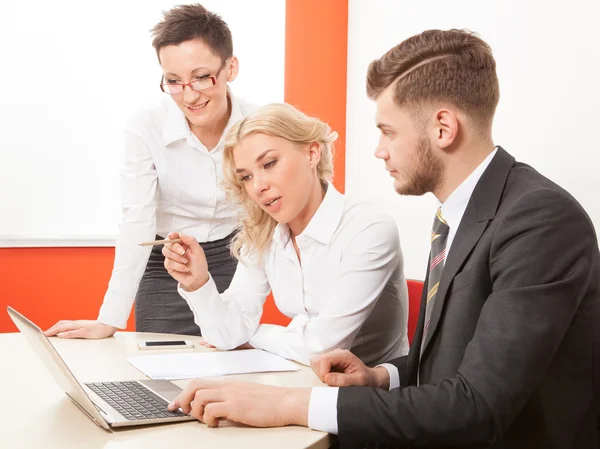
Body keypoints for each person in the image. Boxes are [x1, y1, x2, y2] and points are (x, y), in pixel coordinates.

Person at [166, 29, 600, 448]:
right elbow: (456, 363)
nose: (378, 149)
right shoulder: (460, 215)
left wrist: (291, 403)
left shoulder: (538, 219)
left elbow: (479, 405)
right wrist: (382, 376)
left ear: (443, 128)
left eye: (388, 131)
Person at [44, 4, 258, 339]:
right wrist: (109, 319)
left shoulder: (260, 125)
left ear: (231, 67)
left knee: (226, 368)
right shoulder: (146, 126)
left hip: (236, 258)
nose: (189, 95)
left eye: (202, 77)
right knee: (161, 371)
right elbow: (137, 219)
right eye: (174, 81)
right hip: (166, 262)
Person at [161, 103, 409, 366]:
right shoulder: (264, 233)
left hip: (372, 394)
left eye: (269, 163)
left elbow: (322, 348)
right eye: (246, 177)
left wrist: (253, 335)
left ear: (312, 153)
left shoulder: (368, 229)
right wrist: (198, 283)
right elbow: (225, 335)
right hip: (302, 381)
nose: (258, 186)